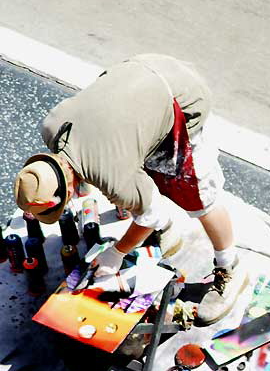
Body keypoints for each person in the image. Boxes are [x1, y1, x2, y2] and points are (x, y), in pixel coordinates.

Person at [14, 53, 248, 326]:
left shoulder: (110, 174)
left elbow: (151, 215)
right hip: (142, 70)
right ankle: (169, 234)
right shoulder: (52, 127)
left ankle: (230, 266)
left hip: (182, 97)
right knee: (147, 167)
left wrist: (117, 253)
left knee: (198, 196)